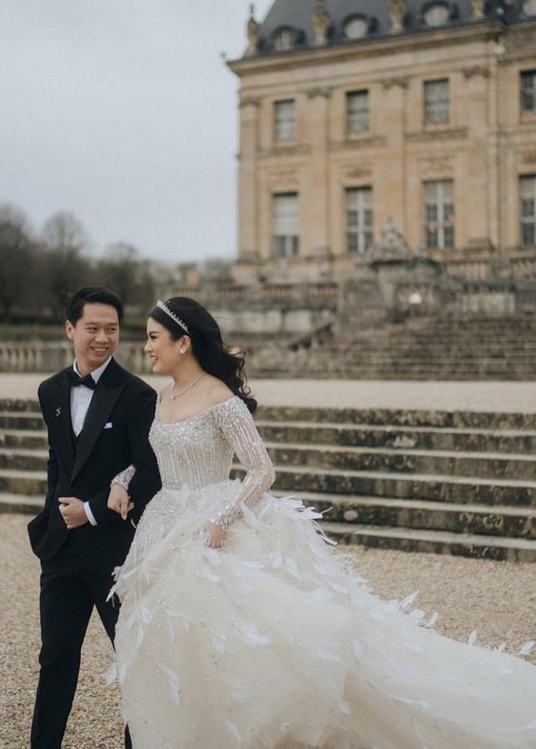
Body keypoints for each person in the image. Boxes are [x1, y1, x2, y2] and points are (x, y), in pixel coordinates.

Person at [106, 296, 536, 749]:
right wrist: (122, 480)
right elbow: (155, 459)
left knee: (236, 644)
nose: (146, 347)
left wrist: (221, 518)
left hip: (212, 525)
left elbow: (262, 470)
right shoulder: (163, 396)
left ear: (183, 343)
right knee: (176, 643)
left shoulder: (221, 399)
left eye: (153, 338)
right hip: (163, 526)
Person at [28, 286, 160, 749]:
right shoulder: (50, 390)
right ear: (70, 329)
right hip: (61, 550)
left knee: (134, 662)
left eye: (112, 329)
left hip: (114, 553)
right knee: (55, 660)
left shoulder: (138, 395)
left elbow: (149, 471)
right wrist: (54, 513)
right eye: (92, 328)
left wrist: (89, 510)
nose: (103, 338)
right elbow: (57, 463)